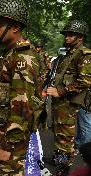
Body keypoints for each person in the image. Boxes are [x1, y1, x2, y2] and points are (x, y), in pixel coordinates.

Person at [0, 0, 42, 176]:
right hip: (1, 135)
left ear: (15, 26)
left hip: (9, 141)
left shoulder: (22, 58)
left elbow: (23, 107)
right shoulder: (11, 55)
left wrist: (7, 146)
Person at [43, 20, 91, 164]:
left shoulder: (84, 54)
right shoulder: (69, 55)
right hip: (61, 104)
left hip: (68, 103)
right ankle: (59, 160)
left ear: (80, 38)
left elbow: (85, 81)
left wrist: (61, 91)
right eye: (66, 35)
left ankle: (62, 172)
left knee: (65, 137)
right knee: (59, 134)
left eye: (71, 35)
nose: (67, 38)